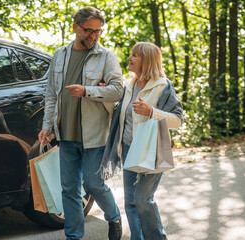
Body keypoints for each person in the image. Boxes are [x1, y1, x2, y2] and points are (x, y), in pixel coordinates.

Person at [38, 6, 124, 240]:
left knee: (93, 183)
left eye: (98, 31)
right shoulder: (59, 55)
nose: (94, 36)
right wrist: (47, 126)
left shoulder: (106, 57)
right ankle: (73, 236)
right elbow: (51, 94)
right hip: (65, 133)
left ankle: (114, 215)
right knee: (69, 189)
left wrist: (87, 90)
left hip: (95, 133)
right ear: (76, 27)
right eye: (89, 30)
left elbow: (118, 91)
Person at [104, 42, 183, 240]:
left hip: (151, 150)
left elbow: (178, 120)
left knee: (143, 200)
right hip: (129, 148)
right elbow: (117, 115)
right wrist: (105, 94)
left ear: (146, 61)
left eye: (135, 55)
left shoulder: (162, 86)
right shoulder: (128, 86)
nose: (129, 58)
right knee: (130, 202)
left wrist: (152, 112)